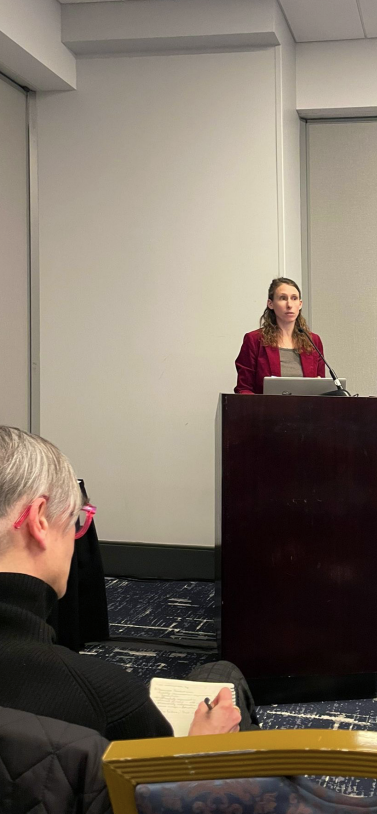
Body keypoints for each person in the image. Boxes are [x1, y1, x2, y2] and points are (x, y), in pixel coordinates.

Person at [0, 426, 256, 740]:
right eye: (75, 519)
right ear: (39, 521)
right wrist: (201, 743)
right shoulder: (103, 696)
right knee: (223, 676)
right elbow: (156, 785)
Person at [234, 277, 325, 394]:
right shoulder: (254, 340)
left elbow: (322, 390)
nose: (289, 304)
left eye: (294, 298)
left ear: (300, 304)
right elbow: (244, 389)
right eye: (283, 298)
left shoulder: (313, 341)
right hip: (265, 410)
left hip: (306, 411)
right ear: (270, 304)